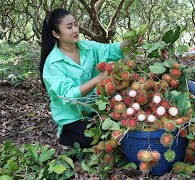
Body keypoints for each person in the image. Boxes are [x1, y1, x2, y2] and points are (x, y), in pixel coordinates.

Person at [40, 8, 133, 148]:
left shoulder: (88, 47)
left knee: (122, 126)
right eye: (69, 27)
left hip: (94, 109)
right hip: (73, 117)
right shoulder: (53, 64)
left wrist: (131, 41)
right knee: (96, 137)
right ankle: (64, 136)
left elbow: (111, 50)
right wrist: (98, 79)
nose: (75, 30)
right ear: (56, 33)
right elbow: (68, 96)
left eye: (76, 25)